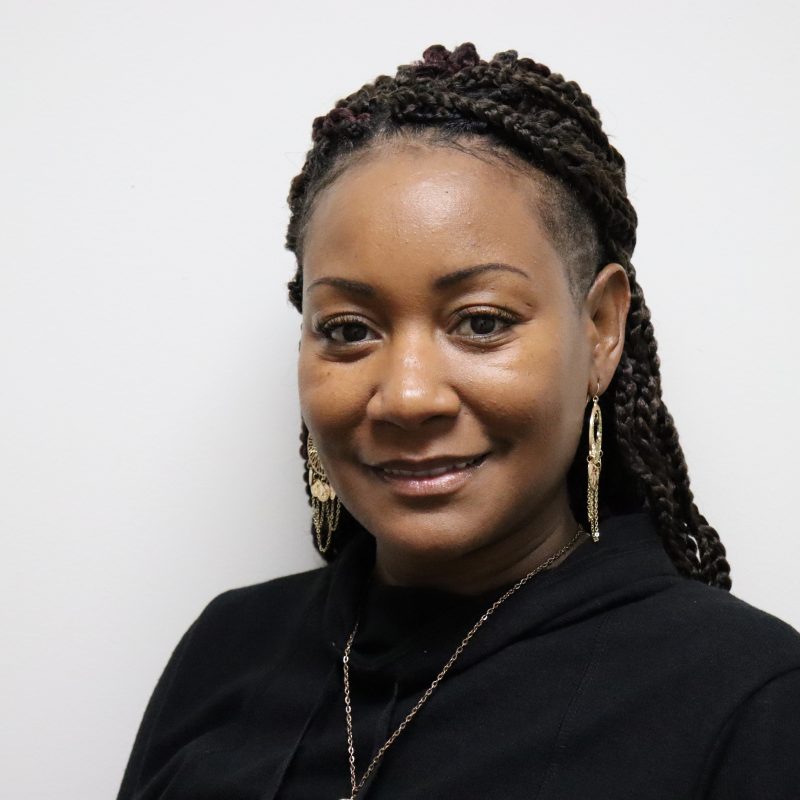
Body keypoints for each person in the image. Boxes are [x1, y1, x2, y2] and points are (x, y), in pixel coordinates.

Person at [116, 43, 800, 799]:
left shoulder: (749, 698)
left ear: (601, 329)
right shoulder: (227, 649)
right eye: (348, 329)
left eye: (481, 322)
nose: (409, 398)